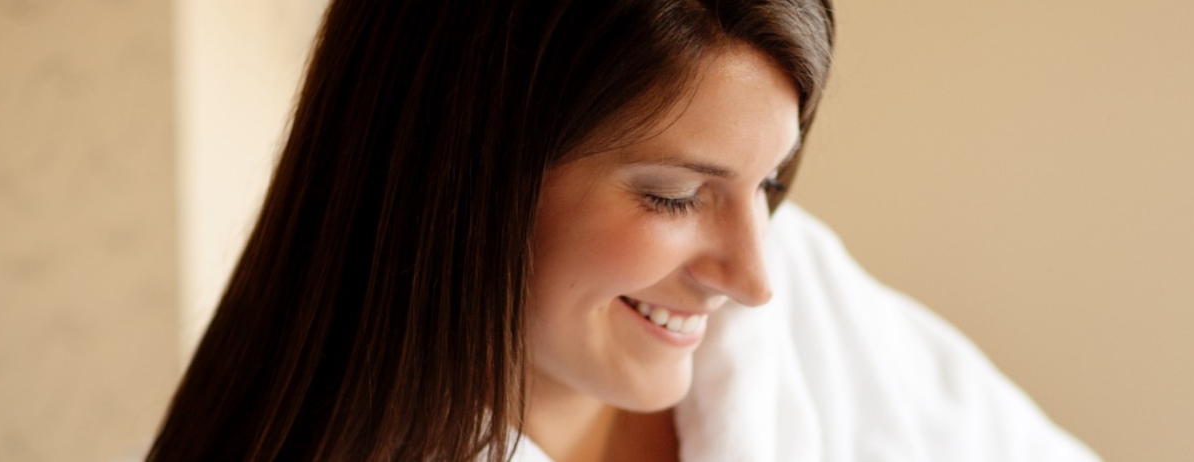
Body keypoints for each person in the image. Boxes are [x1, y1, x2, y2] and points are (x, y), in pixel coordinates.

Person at [145, 1, 1096, 461]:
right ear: (465, 176)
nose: (752, 276)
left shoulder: (803, 307)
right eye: (677, 196)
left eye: (767, 183)